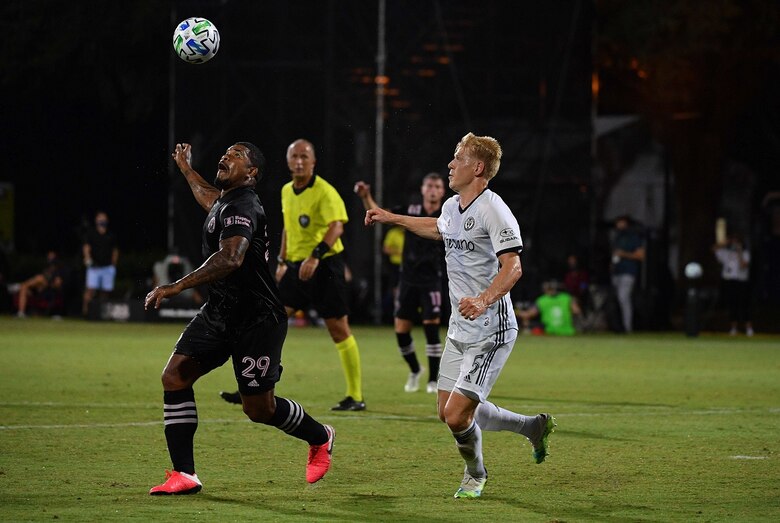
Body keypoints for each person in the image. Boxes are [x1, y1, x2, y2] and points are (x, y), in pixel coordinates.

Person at [365, 132, 555, 498]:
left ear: (478, 167)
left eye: (459, 158)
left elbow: (513, 267)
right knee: (449, 411)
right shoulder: (453, 206)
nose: (451, 164)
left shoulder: (494, 209)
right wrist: (392, 218)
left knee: (457, 415)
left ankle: (476, 474)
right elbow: (438, 228)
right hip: (459, 326)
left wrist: (484, 299)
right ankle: (533, 427)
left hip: (491, 329)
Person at [145, 142, 335, 495]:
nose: (225, 156)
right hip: (219, 313)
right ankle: (184, 474)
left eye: (236, 155)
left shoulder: (244, 205)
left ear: (251, 174)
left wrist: (177, 286)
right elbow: (209, 199)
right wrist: (187, 169)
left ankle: (320, 436)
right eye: (226, 152)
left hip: (256, 319)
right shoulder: (225, 202)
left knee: (259, 409)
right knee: (174, 377)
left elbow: (231, 257)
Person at [276, 138, 364, 411]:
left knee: (338, 329)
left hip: (325, 266)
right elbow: (288, 229)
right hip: (294, 267)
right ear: (288, 161)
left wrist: (315, 256)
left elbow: (336, 227)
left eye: (305, 156)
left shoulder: (325, 191)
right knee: (270, 321)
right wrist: (281, 260)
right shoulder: (286, 191)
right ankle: (256, 384)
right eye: (295, 157)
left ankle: (355, 396)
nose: (299, 161)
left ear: (313, 162)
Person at [355, 173, 447, 394]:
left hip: (432, 280)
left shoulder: (448, 213)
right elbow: (384, 215)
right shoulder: (412, 209)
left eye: (437, 186)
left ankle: (433, 380)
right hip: (407, 279)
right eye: (429, 186)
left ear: (442, 192)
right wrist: (366, 197)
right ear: (423, 189)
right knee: (401, 330)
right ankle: (415, 369)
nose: (433, 190)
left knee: (431, 327)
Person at [713, 234, 753, 336]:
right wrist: (725, 243)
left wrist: (739, 251)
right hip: (730, 281)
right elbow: (714, 249)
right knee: (732, 304)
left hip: (742, 281)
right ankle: (733, 328)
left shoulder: (745, 253)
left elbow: (743, 265)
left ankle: (748, 328)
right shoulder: (726, 253)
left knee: (744, 304)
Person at [610, 215, 644, 333]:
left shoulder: (633, 237)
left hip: (628, 272)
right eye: (618, 223)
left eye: (622, 223)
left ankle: (627, 327)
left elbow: (641, 256)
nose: (619, 225)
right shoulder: (617, 237)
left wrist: (623, 254)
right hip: (617, 272)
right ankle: (618, 326)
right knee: (617, 299)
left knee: (623, 298)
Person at [82, 211, 119, 317]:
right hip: (94, 267)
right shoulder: (91, 233)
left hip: (107, 267)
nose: (102, 220)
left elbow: (115, 250)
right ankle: (85, 313)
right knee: (90, 290)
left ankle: (102, 313)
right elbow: (86, 247)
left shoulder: (111, 235)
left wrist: (113, 264)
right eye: (100, 218)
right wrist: (87, 258)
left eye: (104, 218)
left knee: (105, 291)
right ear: (96, 220)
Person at [516, 280, 581, 336]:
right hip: (567, 332)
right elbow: (576, 311)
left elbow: (528, 314)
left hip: (550, 333)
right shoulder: (567, 298)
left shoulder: (542, 300)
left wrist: (515, 312)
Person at [15, 250, 64, 318]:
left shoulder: (59, 269)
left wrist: (48, 284)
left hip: (49, 291)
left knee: (39, 278)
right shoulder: (45, 267)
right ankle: (21, 313)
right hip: (37, 290)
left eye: (52, 256)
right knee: (24, 287)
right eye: (49, 256)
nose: (50, 257)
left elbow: (58, 285)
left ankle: (17, 286)